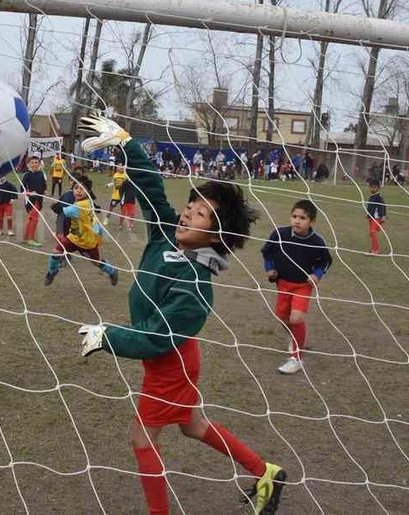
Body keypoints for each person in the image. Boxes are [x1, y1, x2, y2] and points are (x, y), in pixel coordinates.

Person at [76, 112, 286, 515]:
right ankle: (265, 471)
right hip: (170, 359)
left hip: (170, 362)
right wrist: (125, 142)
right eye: (191, 205)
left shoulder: (196, 285)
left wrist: (108, 336)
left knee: (143, 438)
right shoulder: (167, 233)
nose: (188, 213)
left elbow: (158, 338)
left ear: (215, 234)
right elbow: (153, 189)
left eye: (200, 213)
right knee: (192, 425)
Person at [262, 200, 332, 375]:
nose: (297, 221)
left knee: (296, 319)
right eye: (294, 216)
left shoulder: (317, 242)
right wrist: (269, 269)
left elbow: (325, 261)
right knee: (283, 318)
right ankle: (295, 339)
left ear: (312, 222)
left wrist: (317, 275)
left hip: (302, 286)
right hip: (283, 284)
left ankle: (296, 359)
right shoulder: (279, 234)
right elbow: (267, 253)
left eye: (303, 218)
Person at [44, 175, 118, 286]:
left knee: (96, 262)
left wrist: (56, 207)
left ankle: (112, 271)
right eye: (76, 188)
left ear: (88, 191)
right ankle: (52, 272)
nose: (78, 191)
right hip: (73, 238)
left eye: (82, 189)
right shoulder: (87, 201)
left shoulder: (81, 205)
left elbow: (64, 210)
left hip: (87, 242)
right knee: (56, 253)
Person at [21, 154, 47, 247]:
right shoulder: (27, 175)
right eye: (32, 163)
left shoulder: (41, 173)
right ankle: (30, 239)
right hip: (30, 201)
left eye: (36, 162)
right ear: (29, 164)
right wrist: (29, 192)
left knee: (31, 218)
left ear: (39, 164)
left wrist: (44, 190)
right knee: (34, 219)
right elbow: (22, 189)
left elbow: (44, 184)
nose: (34, 164)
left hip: (39, 200)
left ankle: (26, 238)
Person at [366, 178, 386, 255]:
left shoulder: (379, 197)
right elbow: (370, 207)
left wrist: (383, 216)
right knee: (371, 233)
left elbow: (383, 206)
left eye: (374, 187)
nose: (372, 189)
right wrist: (368, 215)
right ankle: (373, 248)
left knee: (373, 232)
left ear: (378, 188)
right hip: (371, 217)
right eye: (371, 187)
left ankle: (376, 250)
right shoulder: (372, 196)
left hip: (377, 217)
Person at [104, 161, 127, 226]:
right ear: (117, 167)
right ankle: (106, 219)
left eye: (122, 166)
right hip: (115, 195)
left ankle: (120, 224)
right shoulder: (115, 175)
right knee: (111, 207)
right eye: (119, 166)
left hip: (123, 196)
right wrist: (108, 185)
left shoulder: (126, 175)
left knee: (123, 210)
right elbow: (113, 183)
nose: (121, 167)